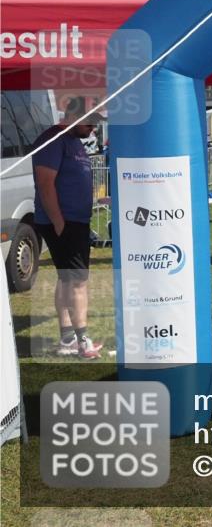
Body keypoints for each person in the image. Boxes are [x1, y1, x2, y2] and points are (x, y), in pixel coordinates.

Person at [32, 96, 104, 359]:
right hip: (64, 222)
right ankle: (83, 341)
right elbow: (45, 184)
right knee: (78, 281)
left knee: (66, 279)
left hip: (75, 221)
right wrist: (59, 223)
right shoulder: (52, 140)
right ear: (74, 117)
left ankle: (67, 339)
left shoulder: (74, 141)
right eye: (90, 123)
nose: (93, 129)